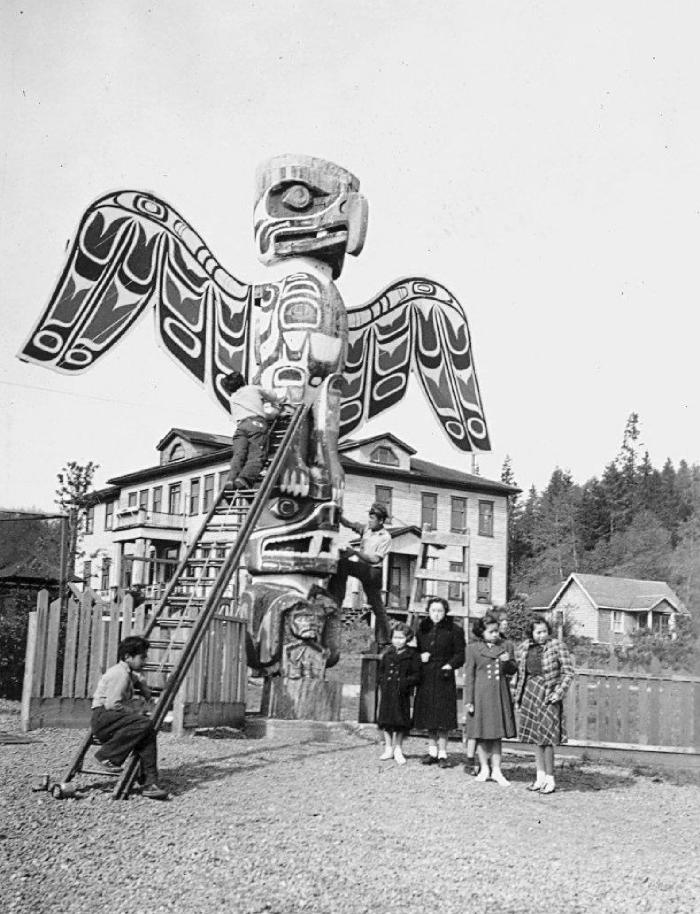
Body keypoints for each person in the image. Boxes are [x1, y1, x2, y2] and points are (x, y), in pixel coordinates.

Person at [91, 636, 168, 800]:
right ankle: (106, 755)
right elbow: (113, 704)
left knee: (148, 732)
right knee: (144, 723)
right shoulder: (120, 674)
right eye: (142, 657)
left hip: (111, 719)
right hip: (104, 718)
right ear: (127, 657)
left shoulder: (126, 672)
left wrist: (143, 685)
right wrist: (135, 713)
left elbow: (136, 678)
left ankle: (149, 783)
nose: (145, 661)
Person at [514, 617, 575, 794]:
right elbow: (521, 674)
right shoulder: (524, 647)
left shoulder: (557, 646)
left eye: (544, 631)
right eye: (538, 632)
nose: (542, 635)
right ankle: (539, 777)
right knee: (535, 738)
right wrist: (518, 698)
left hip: (548, 693)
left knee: (547, 738)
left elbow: (568, 672)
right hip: (530, 692)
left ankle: (550, 779)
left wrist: (558, 693)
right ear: (531, 634)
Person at [327, 502, 392, 647]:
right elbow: (349, 524)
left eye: (373, 519)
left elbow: (375, 559)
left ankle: (384, 639)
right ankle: (337, 599)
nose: (369, 521)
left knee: (377, 606)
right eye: (369, 518)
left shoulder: (385, 537)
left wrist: (355, 552)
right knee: (342, 563)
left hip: (373, 572)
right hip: (362, 567)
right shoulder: (367, 529)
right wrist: (338, 515)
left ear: (381, 521)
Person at [463, 613, 517, 786]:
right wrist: (469, 700)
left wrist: (508, 662)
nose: (495, 635)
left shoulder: (506, 646)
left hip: (499, 695)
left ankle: (497, 770)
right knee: (479, 733)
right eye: (491, 632)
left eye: (497, 631)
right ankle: (484, 768)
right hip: (480, 696)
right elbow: (469, 676)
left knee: (496, 735)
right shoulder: (472, 648)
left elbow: (512, 670)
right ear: (482, 633)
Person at [412, 597, 465, 767]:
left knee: (443, 716)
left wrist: (450, 665)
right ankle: (432, 752)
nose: (436, 614)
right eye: (433, 610)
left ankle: (443, 754)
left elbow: (461, 654)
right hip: (426, 676)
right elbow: (414, 651)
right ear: (428, 611)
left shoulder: (454, 630)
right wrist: (420, 657)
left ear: (445, 612)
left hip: (444, 676)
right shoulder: (422, 629)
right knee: (429, 716)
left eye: (440, 611)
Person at [221, 369, 288, 489]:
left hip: (240, 428)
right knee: (256, 454)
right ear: (243, 380)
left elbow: (251, 410)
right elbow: (272, 396)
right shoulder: (253, 388)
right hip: (256, 424)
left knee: (239, 454)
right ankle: (244, 479)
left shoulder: (233, 398)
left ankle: (231, 479)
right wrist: (277, 406)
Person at [376, 622, 421, 765]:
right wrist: (383, 682)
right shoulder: (387, 654)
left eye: (401, 638)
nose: (398, 641)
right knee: (386, 720)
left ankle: (398, 749)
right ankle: (388, 748)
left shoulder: (412, 655)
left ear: (407, 639)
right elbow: (381, 672)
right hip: (388, 691)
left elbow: (416, 675)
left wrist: (405, 683)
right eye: (395, 637)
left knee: (400, 721)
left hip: (402, 693)